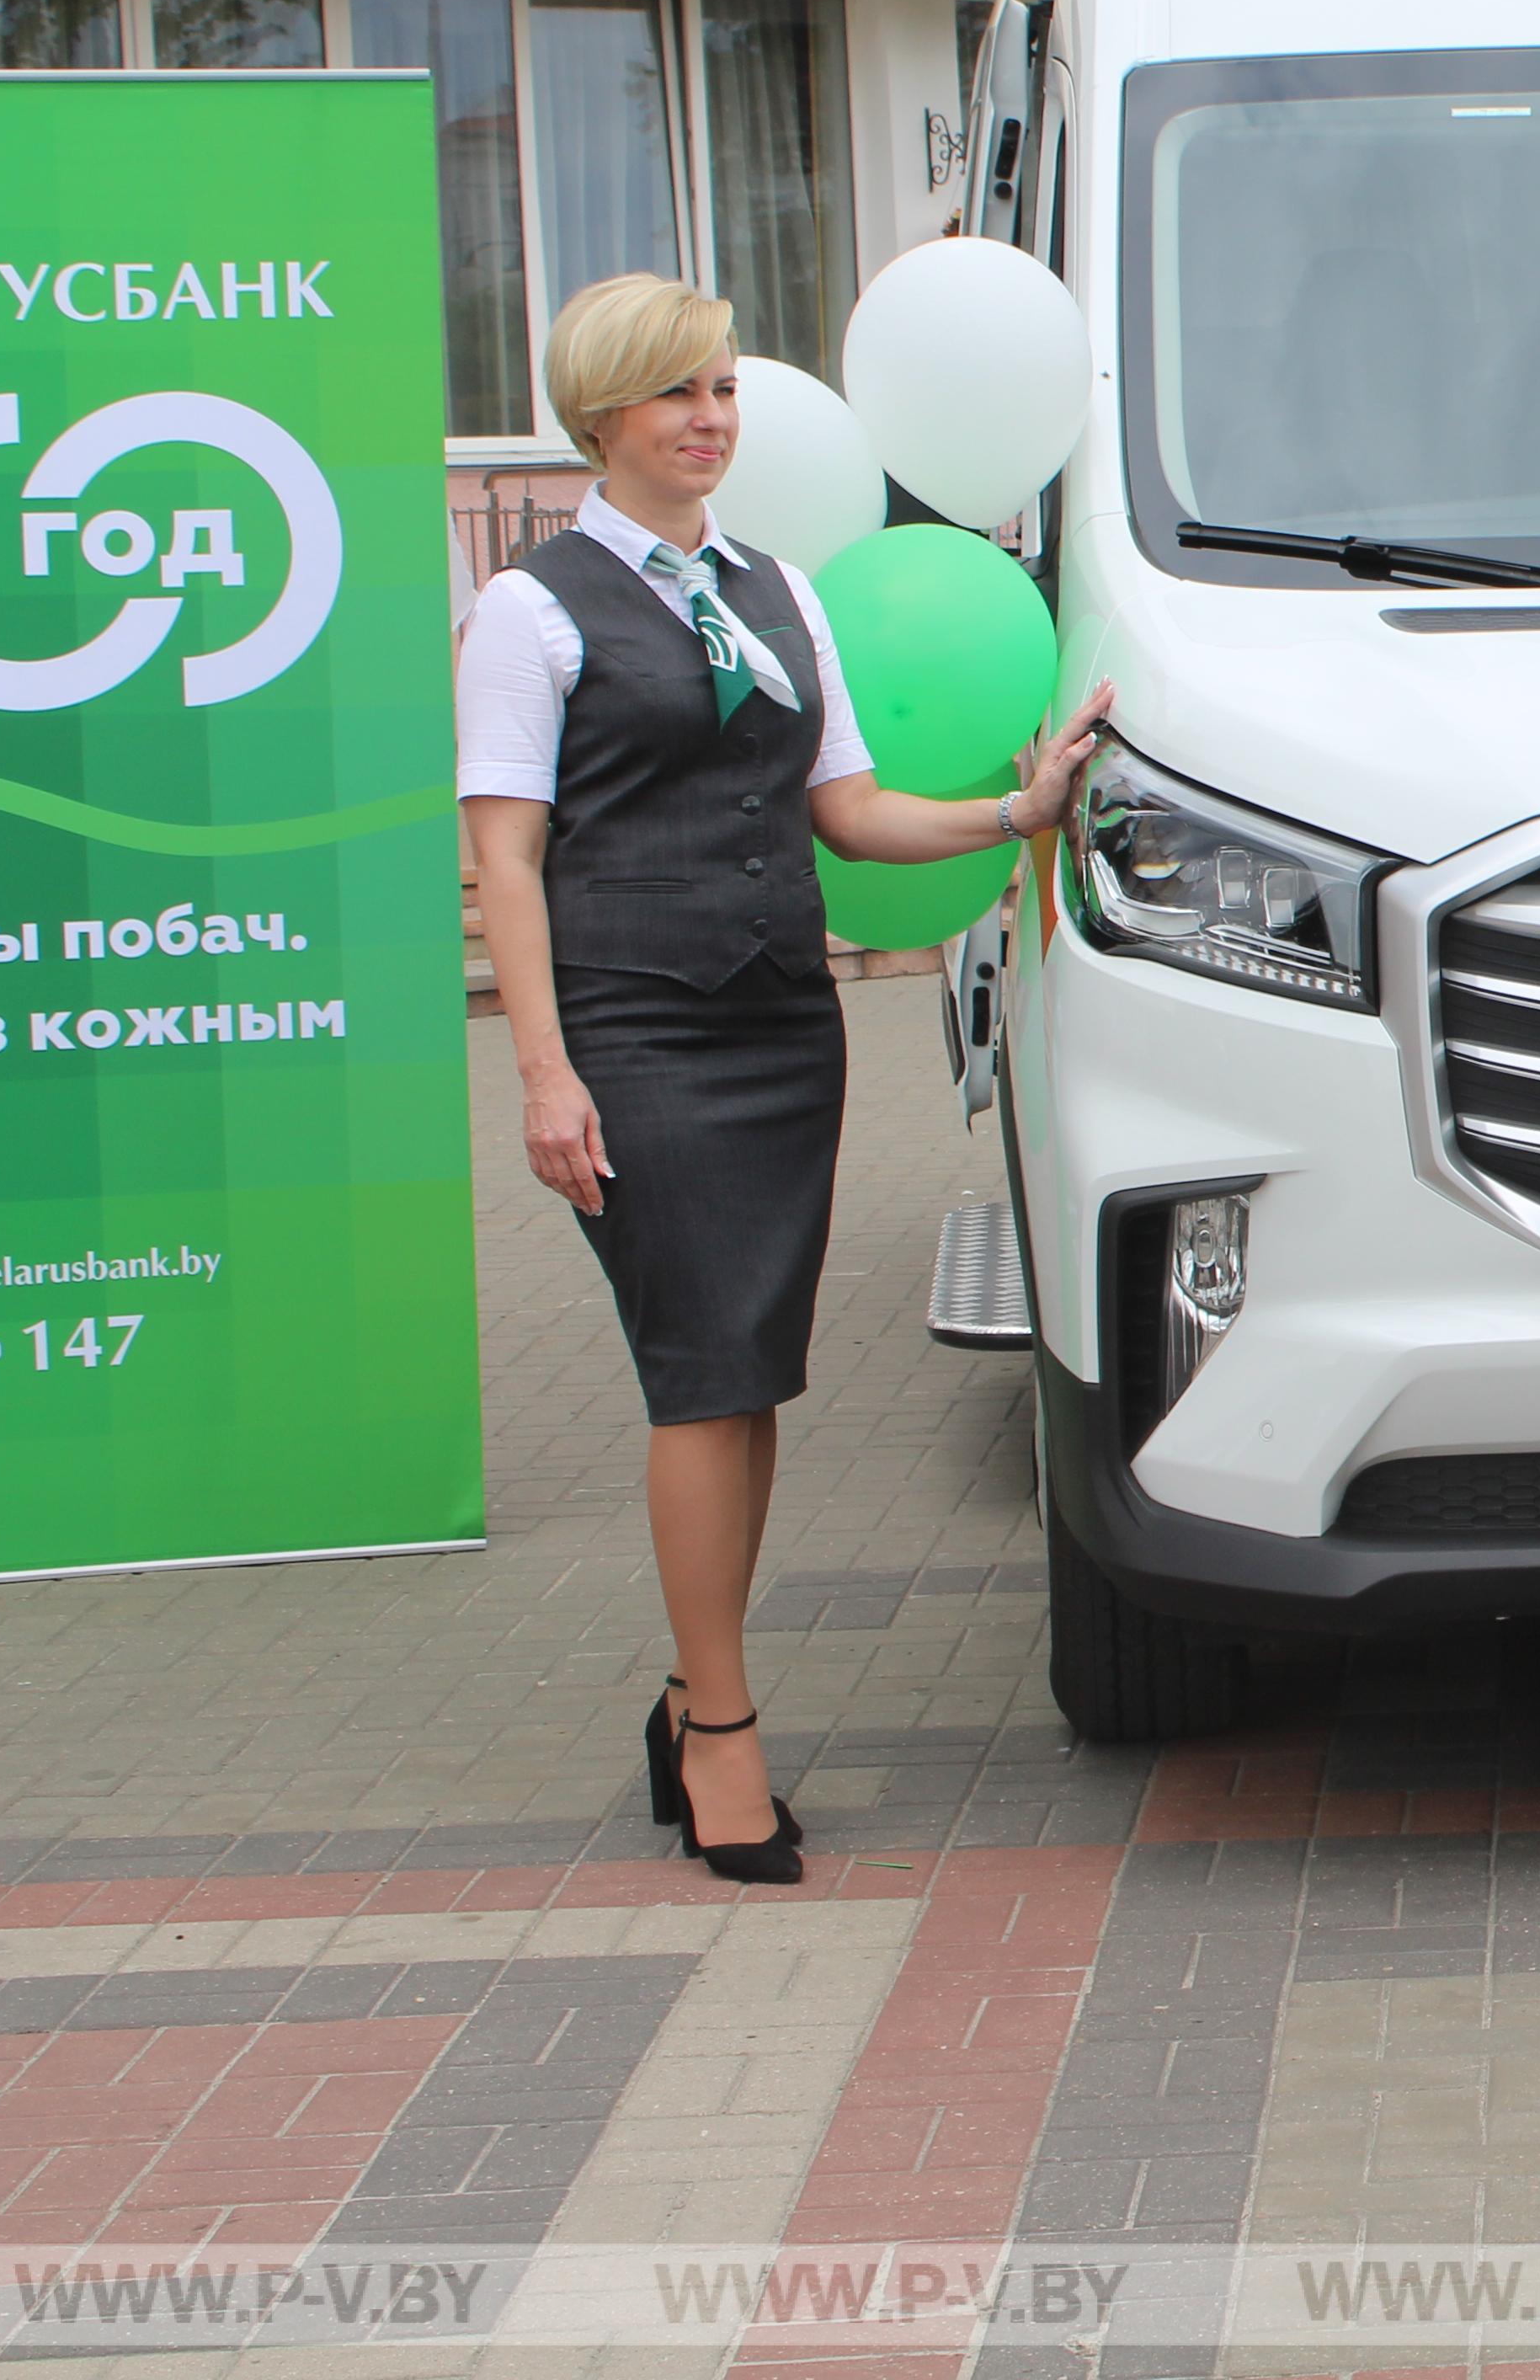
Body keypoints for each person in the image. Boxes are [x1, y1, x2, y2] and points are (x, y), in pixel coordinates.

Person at [461, 275, 1111, 1885]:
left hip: (776, 1030)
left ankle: (694, 1700)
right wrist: (545, 1075)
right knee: (698, 1375)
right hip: (633, 1034)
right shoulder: (534, 611)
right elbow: (508, 858)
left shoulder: (776, 592)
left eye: (724, 388)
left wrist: (1013, 816)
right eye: (675, 392)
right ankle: (729, 1733)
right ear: (599, 418)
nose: (709, 417)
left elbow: (854, 812)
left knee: (751, 1375)